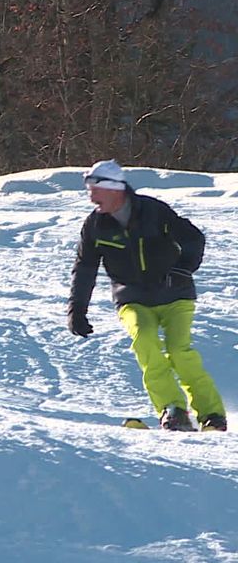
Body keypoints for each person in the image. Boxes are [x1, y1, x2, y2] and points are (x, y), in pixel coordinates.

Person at [68, 159, 227, 431]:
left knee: (179, 351)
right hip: (132, 297)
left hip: (175, 293)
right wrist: (77, 310)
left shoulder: (153, 211)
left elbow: (193, 239)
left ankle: (211, 414)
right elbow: (85, 268)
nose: (91, 197)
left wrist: (182, 269)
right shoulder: (95, 225)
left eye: (95, 189)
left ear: (114, 189)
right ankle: (173, 409)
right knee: (146, 342)